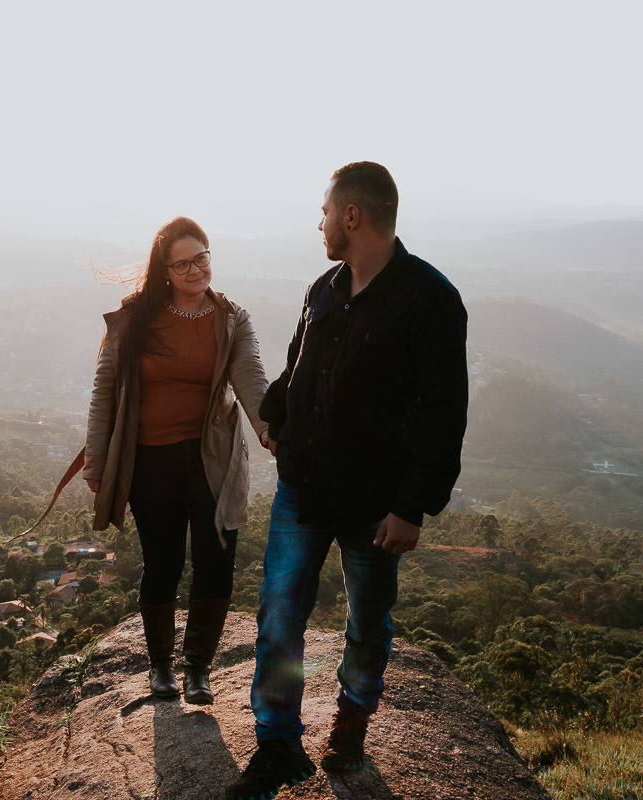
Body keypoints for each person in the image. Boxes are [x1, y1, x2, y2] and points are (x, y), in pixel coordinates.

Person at [226, 163, 468, 798]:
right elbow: (296, 373)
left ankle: (350, 731)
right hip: (302, 490)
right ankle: (277, 743)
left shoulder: (431, 301)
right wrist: (275, 417)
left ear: (352, 217)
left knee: (367, 621)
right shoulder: (324, 288)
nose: (320, 224)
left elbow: (445, 415)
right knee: (280, 613)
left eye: (326, 213)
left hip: (374, 504)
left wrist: (412, 508)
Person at [84, 216, 269, 705]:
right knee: (162, 561)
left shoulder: (231, 318)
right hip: (149, 459)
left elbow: (251, 377)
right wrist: (97, 459)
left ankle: (198, 669)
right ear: (164, 269)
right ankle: (161, 667)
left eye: (201, 258)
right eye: (182, 263)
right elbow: (105, 389)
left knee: (217, 560)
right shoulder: (135, 319)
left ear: (211, 256)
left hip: (213, 459)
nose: (194, 270)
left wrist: (272, 427)